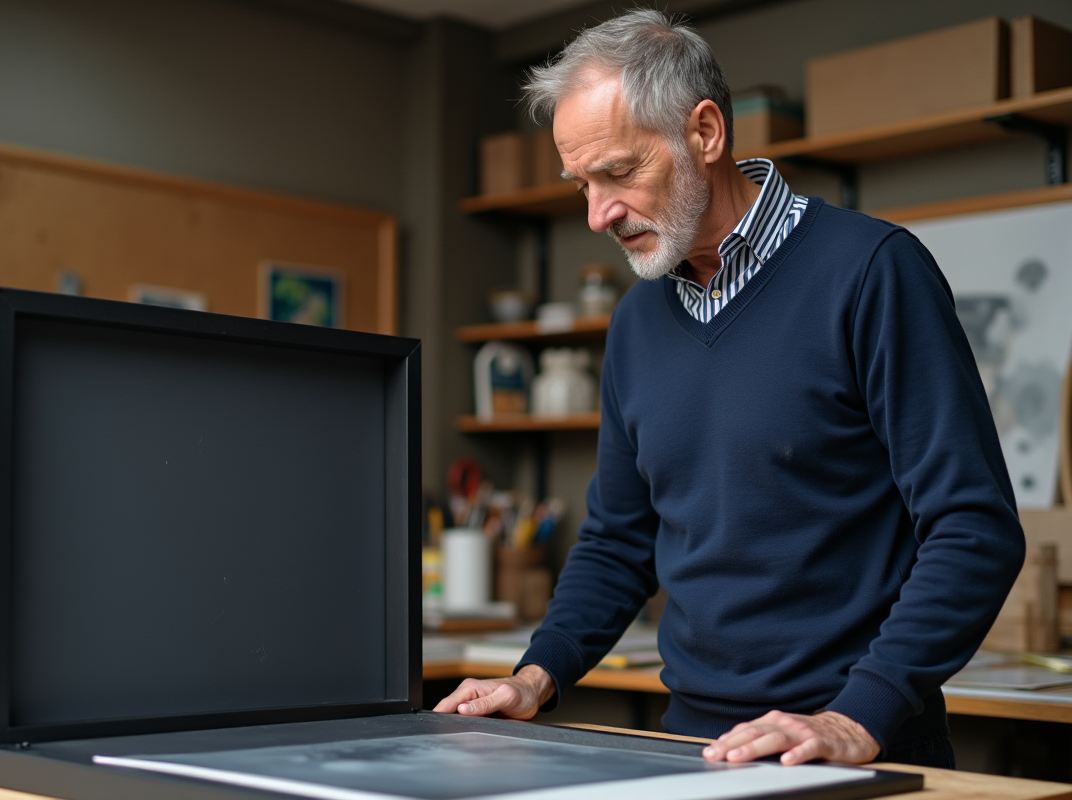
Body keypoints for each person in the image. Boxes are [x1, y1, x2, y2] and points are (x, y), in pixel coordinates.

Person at [435, 9, 1025, 769]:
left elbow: (973, 528)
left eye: (618, 172)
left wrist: (859, 714)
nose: (596, 214)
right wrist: (536, 676)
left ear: (706, 133)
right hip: (692, 750)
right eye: (582, 184)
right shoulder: (636, 322)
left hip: (852, 748)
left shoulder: (872, 272)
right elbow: (619, 541)